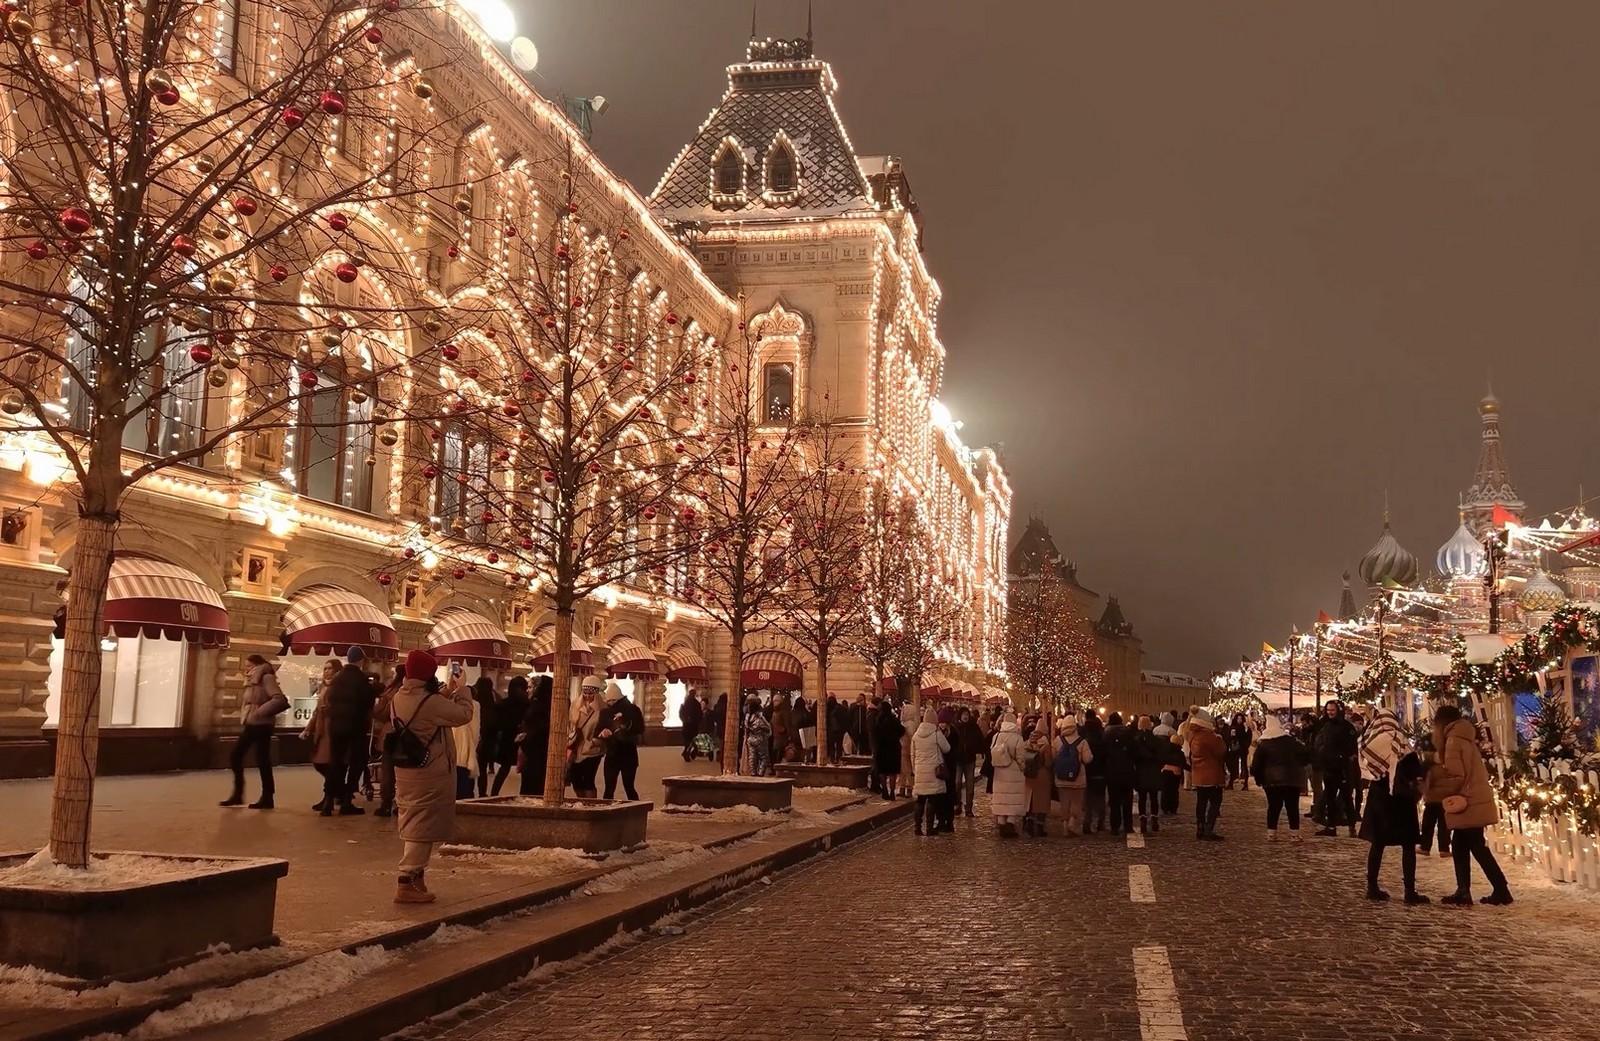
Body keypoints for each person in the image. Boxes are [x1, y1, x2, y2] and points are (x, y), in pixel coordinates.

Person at [390, 648, 475, 903]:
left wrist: (446, 692)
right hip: (429, 773)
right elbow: (463, 715)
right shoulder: (431, 702)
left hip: (406, 771)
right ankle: (406, 881)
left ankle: (417, 881)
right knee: (422, 828)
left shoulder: (399, 696)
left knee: (415, 821)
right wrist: (463, 691)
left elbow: (429, 706)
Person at [1425, 703, 1512, 906]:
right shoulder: (1464, 738)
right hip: (1474, 798)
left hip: (1467, 801)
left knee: (1476, 846)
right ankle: (1465, 890)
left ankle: (1500, 889)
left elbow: (1456, 775)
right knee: (1461, 845)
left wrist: (1436, 789)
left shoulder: (1453, 741)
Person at [1357, 707, 1426, 903]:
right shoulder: (1401, 742)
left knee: (1377, 844)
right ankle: (1410, 891)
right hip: (1401, 800)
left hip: (1379, 799)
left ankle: (1372, 886)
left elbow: (1365, 770)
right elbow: (1415, 770)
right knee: (1408, 846)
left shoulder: (1369, 742)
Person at [221, 654, 288, 809]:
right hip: (253, 723)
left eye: (249, 666)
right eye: (246, 666)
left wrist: (259, 712)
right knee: (252, 758)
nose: (246, 669)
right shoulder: (252, 681)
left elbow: (279, 700)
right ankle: (245, 795)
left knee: (251, 757)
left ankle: (264, 796)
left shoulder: (266, 678)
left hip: (262, 724)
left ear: (258, 665)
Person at [323, 647, 377, 816]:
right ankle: (347, 799)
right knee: (356, 762)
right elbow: (369, 702)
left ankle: (328, 800)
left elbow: (330, 699)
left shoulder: (337, 679)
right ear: (360, 660)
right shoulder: (361, 679)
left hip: (336, 726)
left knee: (336, 762)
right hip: (356, 727)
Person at [1251, 714, 1309, 840]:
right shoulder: (1291, 741)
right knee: (1292, 807)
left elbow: (1256, 765)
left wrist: (1258, 779)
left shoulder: (1264, 744)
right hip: (1291, 779)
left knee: (1273, 807)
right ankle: (1294, 834)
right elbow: (1305, 755)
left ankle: (1271, 833)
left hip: (1271, 780)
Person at [1313, 701, 1359, 837]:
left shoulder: (1347, 727)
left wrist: (1344, 758)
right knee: (1330, 798)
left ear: (1338, 710)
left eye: (1332, 710)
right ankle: (1331, 826)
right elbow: (1321, 743)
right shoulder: (1326, 726)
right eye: (1328, 710)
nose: (1330, 712)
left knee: (1347, 799)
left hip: (1343, 769)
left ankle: (1352, 827)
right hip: (1329, 768)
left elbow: (1352, 748)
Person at [301, 660, 339, 812]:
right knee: (319, 763)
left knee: (327, 764)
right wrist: (308, 729)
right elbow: (317, 711)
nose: (327, 671)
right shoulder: (324, 686)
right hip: (321, 730)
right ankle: (333, 793)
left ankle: (328, 798)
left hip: (331, 729)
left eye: (330, 668)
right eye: (325, 668)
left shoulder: (337, 686)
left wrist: (329, 709)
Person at [598, 681, 644, 799]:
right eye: (608, 701)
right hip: (617, 754)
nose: (610, 703)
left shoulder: (631, 710)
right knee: (614, 788)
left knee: (626, 787)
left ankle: (634, 811)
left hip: (623, 754)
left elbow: (639, 728)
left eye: (613, 700)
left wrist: (625, 728)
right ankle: (632, 811)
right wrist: (602, 733)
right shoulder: (606, 711)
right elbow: (598, 729)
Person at [910, 707, 951, 836]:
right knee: (932, 800)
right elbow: (947, 748)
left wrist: (915, 769)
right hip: (934, 772)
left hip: (920, 771)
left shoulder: (916, 735)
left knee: (920, 800)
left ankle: (917, 828)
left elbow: (912, 754)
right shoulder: (936, 733)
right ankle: (929, 828)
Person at [1188, 710, 1227, 840]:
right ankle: (1208, 829)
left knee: (1201, 802)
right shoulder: (1210, 737)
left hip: (1199, 774)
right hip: (1212, 774)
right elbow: (1220, 752)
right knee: (1215, 802)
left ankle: (1200, 827)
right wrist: (1220, 740)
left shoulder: (1193, 735)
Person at [988, 712, 1027, 838]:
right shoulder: (1017, 738)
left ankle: (1001, 822)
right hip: (1014, 772)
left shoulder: (996, 736)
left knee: (1001, 797)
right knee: (1012, 799)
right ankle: (1010, 823)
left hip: (999, 772)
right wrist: (1022, 768)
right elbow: (1021, 757)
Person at [1053, 714, 1093, 836]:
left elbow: (1053, 757)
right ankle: (1072, 822)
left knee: (1064, 801)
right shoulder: (1082, 741)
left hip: (1061, 777)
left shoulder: (1057, 740)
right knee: (1076, 802)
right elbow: (1087, 759)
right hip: (1078, 778)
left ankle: (1064, 824)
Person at [370, 665, 401, 816]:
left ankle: (386, 803)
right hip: (410, 736)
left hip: (390, 735)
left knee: (388, 771)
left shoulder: (390, 691)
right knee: (405, 772)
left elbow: (379, 713)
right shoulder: (418, 692)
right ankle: (401, 804)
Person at [490, 675, 528, 796]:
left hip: (507, 740)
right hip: (522, 740)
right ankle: (524, 795)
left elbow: (497, 723)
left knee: (504, 769)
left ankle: (494, 793)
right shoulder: (527, 704)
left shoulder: (503, 704)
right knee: (524, 769)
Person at [565, 677, 603, 798]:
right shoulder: (575, 705)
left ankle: (591, 804)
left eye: (590, 693)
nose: (587, 696)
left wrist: (595, 742)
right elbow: (570, 723)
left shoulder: (602, 708)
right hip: (576, 748)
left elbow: (604, 727)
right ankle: (582, 801)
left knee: (588, 780)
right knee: (576, 780)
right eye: (585, 692)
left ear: (596, 693)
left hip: (593, 750)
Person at [1101, 712, 1138, 836]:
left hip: (1112, 771)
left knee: (1114, 801)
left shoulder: (1106, 733)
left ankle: (1114, 826)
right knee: (1127, 800)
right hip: (1127, 770)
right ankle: (1128, 826)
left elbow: (1103, 753)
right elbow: (1134, 751)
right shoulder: (1128, 733)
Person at [1418, 730, 1452, 858]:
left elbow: (1426, 785)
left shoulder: (1429, 768)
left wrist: (1423, 792)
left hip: (1432, 800)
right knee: (1444, 826)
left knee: (1428, 824)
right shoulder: (1446, 765)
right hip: (1445, 799)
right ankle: (1444, 848)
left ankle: (1425, 846)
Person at [516, 675, 551, 797]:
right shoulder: (541, 705)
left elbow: (538, 731)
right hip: (536, 754)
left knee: (531, 790)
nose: (527, 690)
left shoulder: (538, 707)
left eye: (530, 687)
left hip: (536, 755)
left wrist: (525, 737)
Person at [449, 672, 480, 800]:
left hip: (450, 752)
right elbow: (476, 730)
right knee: (465, 791)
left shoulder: (446, 702)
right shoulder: (475, 705)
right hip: (466, 751)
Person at [1133, 715, 1166, 835]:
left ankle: (1142, 819)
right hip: (1154, 771)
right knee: (1153, 797)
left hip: (1141, 771)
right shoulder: (1156, 740)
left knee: (1142, 798)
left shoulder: (1136, 740)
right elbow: (1161, 757)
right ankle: (1154, 818)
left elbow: (1134, 757)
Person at [1023, 717, 1054, 837]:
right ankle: (1040, 827)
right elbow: (1048, 763)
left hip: (1029, 775)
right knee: (1042, 803)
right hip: (1042, 775)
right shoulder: (1045, 744)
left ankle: (1029, 824)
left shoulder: (1028, 742)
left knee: (1030, 802)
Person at [471, 676, 499, 798]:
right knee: (482, 768)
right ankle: (482, 793)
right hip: (487, 741)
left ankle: (469, 791)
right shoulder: (492, 702)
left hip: (473, 738)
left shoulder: (474, 702)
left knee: (470, 766)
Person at [954, 708, 984, 817]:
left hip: (970, 760)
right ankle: (957, 804)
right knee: (957, 783)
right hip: (958, 760)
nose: (965, 716)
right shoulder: (956, 727)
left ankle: (969, 808)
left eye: (967, 714)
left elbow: (980, 740)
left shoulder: (973, 727)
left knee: (970, 785)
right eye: (963, 714)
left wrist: (977, 749)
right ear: (960, 716)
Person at [1081, 710, 1108, 832]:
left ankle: (1087, 822)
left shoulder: (1083, 738)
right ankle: (1100, 823)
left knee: (1088, 800)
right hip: (1101, 772)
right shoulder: (1102, 739)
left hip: (1087, 771)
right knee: (1101, 798)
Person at [872, 698, 904, 798]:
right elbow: (901, 731)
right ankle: (892, 792)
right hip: (893, 748)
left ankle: (885, 789)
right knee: (892, 772)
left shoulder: (877, 720)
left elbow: (874, 734)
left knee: (882, 771)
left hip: (881, 748)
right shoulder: (894, 720)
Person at [1153, 712, 1181, 816]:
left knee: (1164, 787)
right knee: (1173, 790)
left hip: (1161, 761)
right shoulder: (1171, 731)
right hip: (1172, 763)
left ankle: (1164, 807)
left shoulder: (1156, 729)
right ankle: (1172, 807)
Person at [744, 696, 773, 777]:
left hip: (750, 739)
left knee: (752, 757)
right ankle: (760, 773)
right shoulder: (759, 718)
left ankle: (753, 773)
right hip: (760, 739)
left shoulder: (747, 717)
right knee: (764, 757)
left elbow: (746, 728)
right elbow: (767, 728)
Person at [1226, 712, 1252, 790]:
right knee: (1233, 766)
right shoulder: (1233, 727)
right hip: (1235, 749)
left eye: (1241, 718)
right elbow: (1230, 737)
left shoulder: (1245, 727)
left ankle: (1246, 784)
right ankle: (1231, 783)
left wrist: (1245, 745)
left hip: (1243, 749)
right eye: (1238, 718)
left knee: (1244, 766)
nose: (1239, 720)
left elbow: (1248, 737)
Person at [680, 688, 703, 762]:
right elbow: (699, 715)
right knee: (692, 740)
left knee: (688, 740)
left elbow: (681, 713)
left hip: (686, 725)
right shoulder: (696, 703)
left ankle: (687, 752)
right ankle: (688, 752)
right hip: (693, 726)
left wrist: (684, 720)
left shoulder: (684, 703)